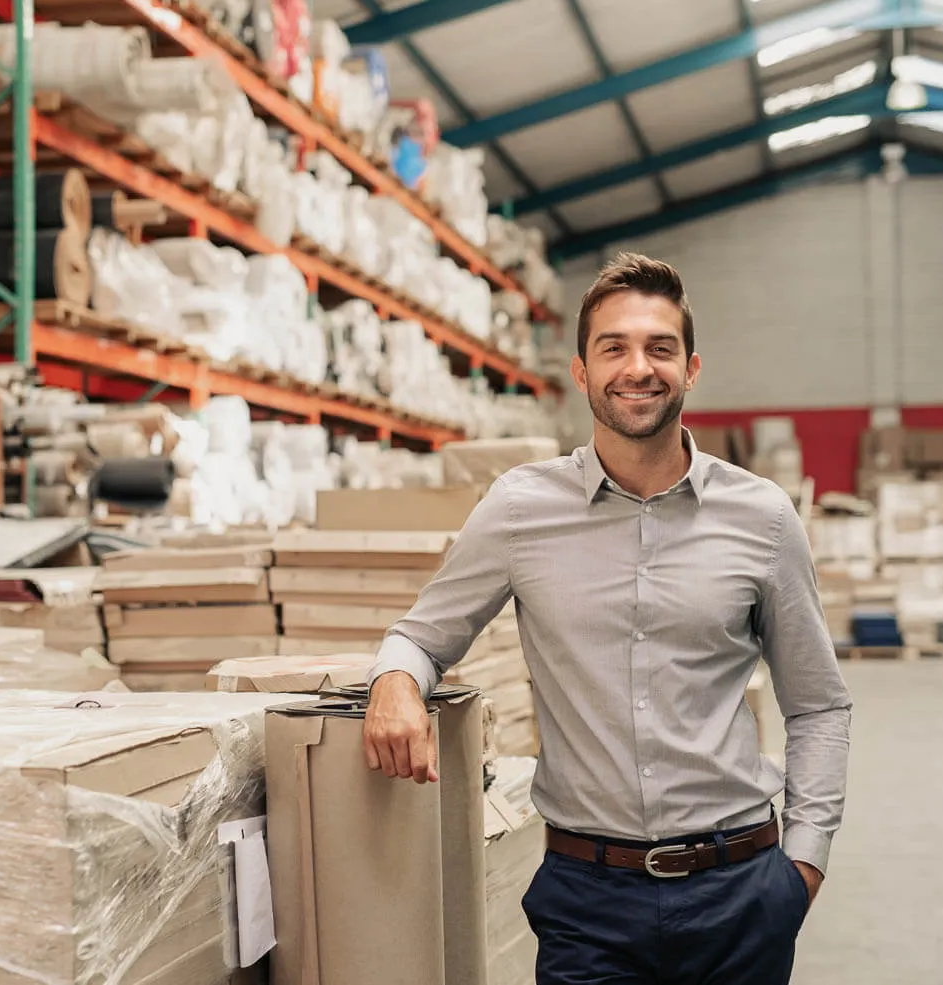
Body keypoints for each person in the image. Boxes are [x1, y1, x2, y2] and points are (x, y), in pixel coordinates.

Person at [361, 252, 852, 984]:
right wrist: (394, 680)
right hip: (589, 898)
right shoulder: (521, 509)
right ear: (582, 371)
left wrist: (802, 866)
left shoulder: (762, 517)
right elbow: (422, 635)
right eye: (613, 347)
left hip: (739, 890)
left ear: (689, 368)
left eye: (660, 348)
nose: (638, 367)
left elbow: (817, 703)